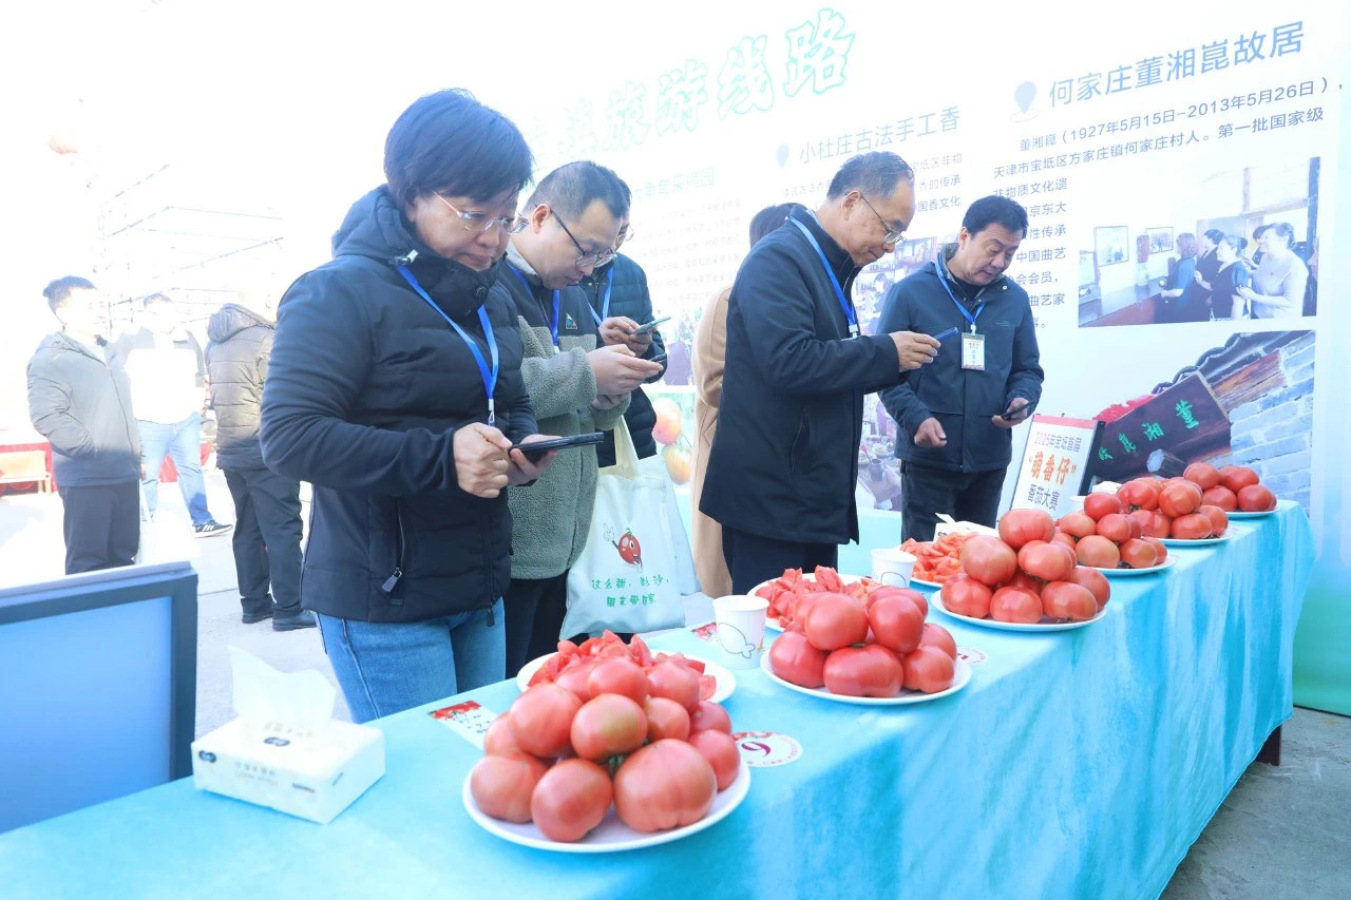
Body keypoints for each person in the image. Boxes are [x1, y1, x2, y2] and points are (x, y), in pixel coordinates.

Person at [259, 90, 554, 722]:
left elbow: (513, 400)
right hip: (384, 598)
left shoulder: (490, 296)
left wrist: (520, 448)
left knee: (482, 760)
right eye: (475, 215)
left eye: (507, 218)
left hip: (480, 583)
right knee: (426, 771)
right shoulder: (337, 292)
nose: (493, 238)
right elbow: (289, 437)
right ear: (413, 191)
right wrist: (444, 457)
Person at [701, 152, 941, 594]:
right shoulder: (779, 259)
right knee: (775, 624)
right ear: (851, 202)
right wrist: (886, 353)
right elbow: (790, 361)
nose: (890, 245)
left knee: (817, 623)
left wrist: (897, 363)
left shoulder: (831, 267)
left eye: (898, 235)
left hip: (808, 495)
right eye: (889, 228)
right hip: (772, 502)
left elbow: (829, 368)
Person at [495, 161, 662, 675]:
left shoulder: (569, 290)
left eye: (604, 254)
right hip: (514, 538)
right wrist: (589, 371)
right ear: (540, 216)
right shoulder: (488, 280)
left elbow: (585, 407)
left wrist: (613, 386)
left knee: (551, 678)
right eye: (586, 249)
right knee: (511, 685)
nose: (590, 268)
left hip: (567, 537)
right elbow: (492, 387)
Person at [878, 195, 1044, 543]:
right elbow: (885, 372)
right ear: (965, 235)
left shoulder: (1014, 299)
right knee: (927, 561)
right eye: (993, 249)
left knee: (983, 561)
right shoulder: (910, 293)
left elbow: (1028, 370)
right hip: (929, 462)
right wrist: (916, 418)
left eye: (1010, 253)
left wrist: (1021, 400)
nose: (999, 262)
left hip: (989, 459)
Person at [690, 202, 804, 599]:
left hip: (784, 470)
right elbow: (714, 383)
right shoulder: (729, 298)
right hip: (737, 460)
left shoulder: (802, 302)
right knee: (742, 593)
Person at [205, 292, 313, 630]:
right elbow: (286, 395)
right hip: (267, 449)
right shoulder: (267, 339)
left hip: (232, 449)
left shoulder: (215, 342)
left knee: (248, 529)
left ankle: (253, 604)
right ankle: (290, 607)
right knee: (282, 529)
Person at [27, 277, 141, 574]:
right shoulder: (51, 359)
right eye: (89, 306)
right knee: (88, 563)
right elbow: (47, 416)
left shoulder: (111, 354)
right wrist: (94, 451)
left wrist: (135, 454)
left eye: (100, 305)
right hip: (87, 478)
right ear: (63, 313)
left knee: (124, 558)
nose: (100, 312)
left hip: (123, 472)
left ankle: (121, 606)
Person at [116, 293, 231, 537]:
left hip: (185, 419)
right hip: (148, 420)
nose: (169, 318)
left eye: (171, 312)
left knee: (191, 469)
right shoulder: (130, 340)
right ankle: (144, 525)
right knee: (148, 475)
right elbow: (117, 379)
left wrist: (196, 406)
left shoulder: (186, 338)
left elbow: (199, 374)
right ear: (149, 315)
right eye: (161, 313)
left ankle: (202, 521)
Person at [580, 179, 669, 468]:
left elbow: (658, 363)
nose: (614, 243)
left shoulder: (632, 272)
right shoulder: (561, 268)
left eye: (622, 232)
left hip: (633, 430)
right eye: (610, 231)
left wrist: (642, 349)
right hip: (580, 434)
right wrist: (598, 341)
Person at [1238, 222, 1309, 319]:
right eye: (1261, 237)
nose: (1260, 241)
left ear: (1283, 239)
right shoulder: (1265, 257)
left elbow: (1290, 301)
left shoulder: (1294, 266)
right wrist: (1236, 270)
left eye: (1266, 237)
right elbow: (1264, 275)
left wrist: (1254, 297)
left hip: (1280, 321)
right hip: (1259, 315)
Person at [1184, 228, 1225, 322]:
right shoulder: (1207, 251)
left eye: (1204, 238)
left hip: (1207, 292)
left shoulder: (1217, 254)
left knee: (1202, 317)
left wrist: (1211, 297)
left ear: (1210, 239)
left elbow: (1218, 278)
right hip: (1199, 290)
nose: (1202, 240)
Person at [1208, 235, 1252, 320]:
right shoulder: (1223, 265)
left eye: (1221, 248)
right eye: (1218, 248)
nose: (1217, 251)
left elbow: (1238, 303)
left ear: (1234, 250)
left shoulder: (1237, 270)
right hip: (1218, 315)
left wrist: (1232, 326)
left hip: (1230, 318)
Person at [1158, 233, 1198, 323]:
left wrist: (1164, 294)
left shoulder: (1184, 265)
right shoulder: (1189, 260)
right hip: (1184, 303)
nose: (1176, 247)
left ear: (1184, 247)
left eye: (1178, 245)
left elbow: (1177, 292)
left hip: (1179, 306)